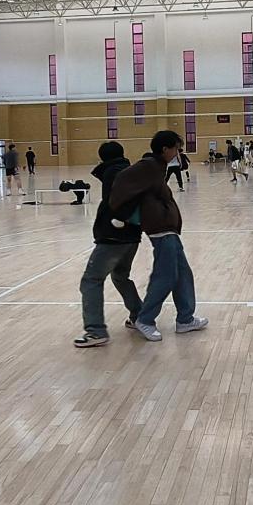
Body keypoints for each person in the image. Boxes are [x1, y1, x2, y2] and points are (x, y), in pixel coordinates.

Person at [109, 130, 208, 342]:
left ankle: (185, 319)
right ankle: (145, 319)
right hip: (160, 229)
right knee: (165, 276)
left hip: (168, 229)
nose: (178, 153)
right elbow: (121, 181)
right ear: (165, 149)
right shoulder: (148, 165)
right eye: (176, 149)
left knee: (182, 274)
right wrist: (121, 214)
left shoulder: (158, 167)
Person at [74, 141, 145, 347]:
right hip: (132, 236)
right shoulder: (129, 171)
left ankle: (96, 331)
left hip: (114, 237)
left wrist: (118, 219)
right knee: (120, 276)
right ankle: (139, 315)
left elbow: (119, 201)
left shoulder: (114, 173)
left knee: (91, 280)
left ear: (102, 157)